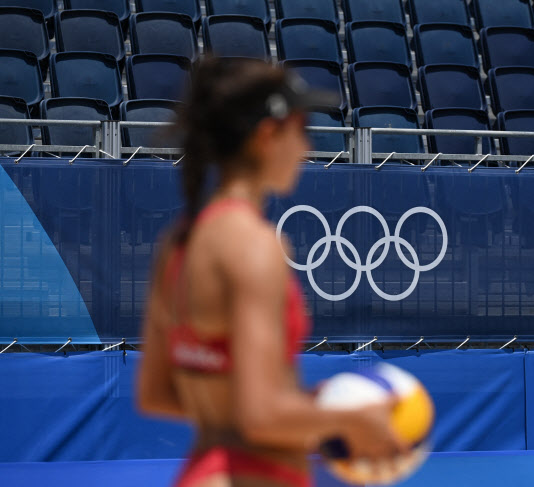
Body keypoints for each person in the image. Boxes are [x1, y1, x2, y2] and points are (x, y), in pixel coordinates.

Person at [137, 58, 405, 487]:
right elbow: (260, 417)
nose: (308, 149)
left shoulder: (179, 243)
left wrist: (299, 410)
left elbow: (158, 395)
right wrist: (355, 422)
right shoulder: (255, 245)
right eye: (303, 130)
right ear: (267, 135)